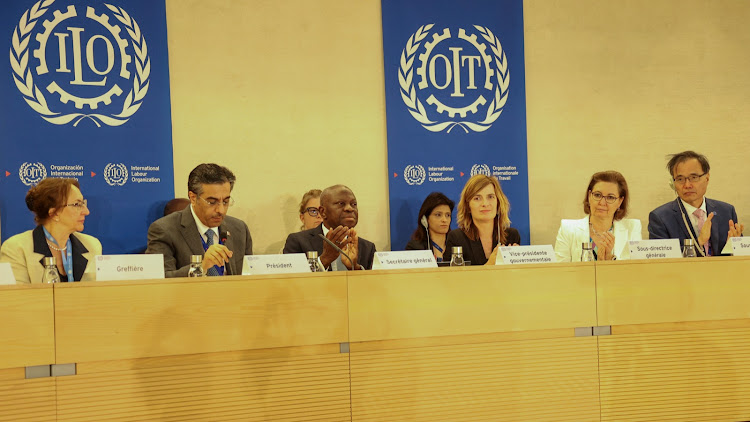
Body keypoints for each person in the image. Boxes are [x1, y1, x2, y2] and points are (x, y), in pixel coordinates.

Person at [146, 164, 253, 277]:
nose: (221, 210)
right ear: (193, 198)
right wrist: (201, 266)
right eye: (212, 202)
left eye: (225, 201)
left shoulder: (239, 229)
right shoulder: (164, 230)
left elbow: (250, 275)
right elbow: (160, 279)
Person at [0, 178, 101, 283]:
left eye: (83, 203)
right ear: (54, 213)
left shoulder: (92, 245)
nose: (86, 211)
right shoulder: (17, 249)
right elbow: (16, 297)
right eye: (77, 204)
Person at [648, 150, 743, 256]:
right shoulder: (660, 218)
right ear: (673, 183)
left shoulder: (726, 211)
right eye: (680, 179)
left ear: (706, 178)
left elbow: (739, 258)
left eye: (694, 177)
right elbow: (661, 261)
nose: (687, 185)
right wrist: (699, 242)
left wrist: (734, 248)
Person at [283, 184, 376, 270]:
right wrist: (325, 259)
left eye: (353, 204)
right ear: (323, 212)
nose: (350, 208)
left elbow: (375, 285)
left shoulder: (367, 247)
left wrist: (355, 267)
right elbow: (291, 282)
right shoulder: (298, 242)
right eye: (341, 204)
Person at [554, 171, 641, 262]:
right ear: (589, 196)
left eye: (610, 197)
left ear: (620, 201)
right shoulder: (568, 229)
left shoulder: (632, 228)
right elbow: (561, 271)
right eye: (597, 195)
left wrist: (609, 258)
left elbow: (634, 271)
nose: (602, 203)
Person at [443, 175, 520, 265]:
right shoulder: (456, 238)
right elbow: (448, 277)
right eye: (477, 198)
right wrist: (489, 266)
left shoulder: (511, 236)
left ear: (498, 203)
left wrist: (517, 260)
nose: (485, 203)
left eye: (490, 197)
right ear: (468, 206)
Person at [404, 192, 454, 261]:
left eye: (447, 215)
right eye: (438, 215)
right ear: (425, 219)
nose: (444, 220)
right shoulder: (415, 248)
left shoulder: (457, 245)